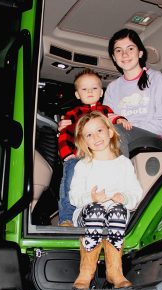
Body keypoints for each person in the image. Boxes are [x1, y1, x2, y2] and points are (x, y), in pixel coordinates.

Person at [69, 111, 143, 290]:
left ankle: (115, 271)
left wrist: (124, 198)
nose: (95, 137)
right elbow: (74, 197)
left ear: (110, 132)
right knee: (96, 209)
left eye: (99, 131)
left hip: (115, 215)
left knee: (117, 210)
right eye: (89, 135)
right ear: (84, 141)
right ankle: (86, 272)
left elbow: (136, 192)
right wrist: (91, 198)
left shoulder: (124, 163)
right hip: (87, 214)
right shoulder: (83, 166)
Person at [58, 68, 131, 226]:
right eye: (84, 89)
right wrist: (66, 155)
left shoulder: (105, 111)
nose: (90, 91)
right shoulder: (72, 114)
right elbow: (64, 135)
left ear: (101, 92)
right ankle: (66, 218)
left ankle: (107, 212)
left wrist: (121, 119)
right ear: (77, 94)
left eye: (94, 88)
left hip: (101, 157)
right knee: (69, 182)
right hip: (77, 154)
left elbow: (113, 120)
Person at [103, 28, 162, 148]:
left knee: (117, 133)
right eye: (118, 51)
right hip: (124, 140)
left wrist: (129, 126)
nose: (124, 54)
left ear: (140, 53)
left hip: (155, 140)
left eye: (130, 48)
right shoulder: (112, 88)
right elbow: (106, 122)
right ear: (114, 58)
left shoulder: (155, 78)